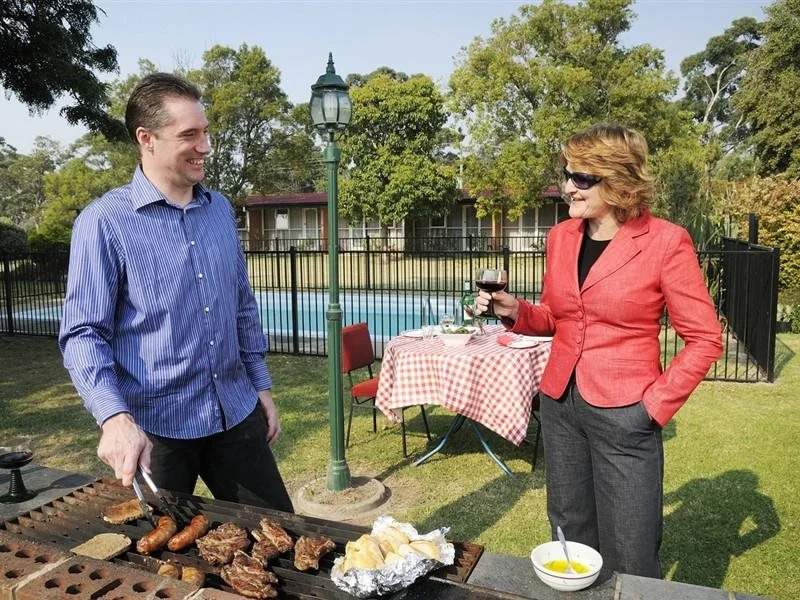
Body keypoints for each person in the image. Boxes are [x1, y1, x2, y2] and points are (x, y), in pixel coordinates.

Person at [475, 124, 722, 577]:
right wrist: (514, 310)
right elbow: (557, 317)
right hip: (560, 406)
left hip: (626, 413)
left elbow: (705, 339)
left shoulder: (666, 241)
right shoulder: (561, 237)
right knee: (570, 537)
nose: (568, 187)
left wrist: (651, 408)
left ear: (618, 179)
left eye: (582, 178)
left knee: (630, 549)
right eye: (567, 174)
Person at [59, 72, 293, 512]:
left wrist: (260, 385)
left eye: (205, 132)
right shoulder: (104, 222)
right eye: (189, 135)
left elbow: (241, 305)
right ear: (146, 138)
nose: (205, 146)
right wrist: (113, 417)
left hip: (235, 410)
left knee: (279, 534)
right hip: (153, 430)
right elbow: (83, 333)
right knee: (162, 550)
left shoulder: (219, 210)